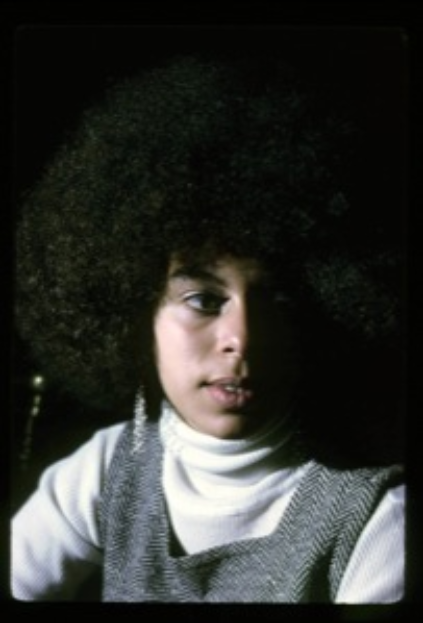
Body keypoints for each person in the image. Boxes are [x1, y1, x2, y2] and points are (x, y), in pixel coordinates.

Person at [11, 54, 405, 602]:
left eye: (278, 303)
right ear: (135, 309)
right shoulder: (105, 469)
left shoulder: (380, 518)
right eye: (203, 300)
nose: (241, 339)